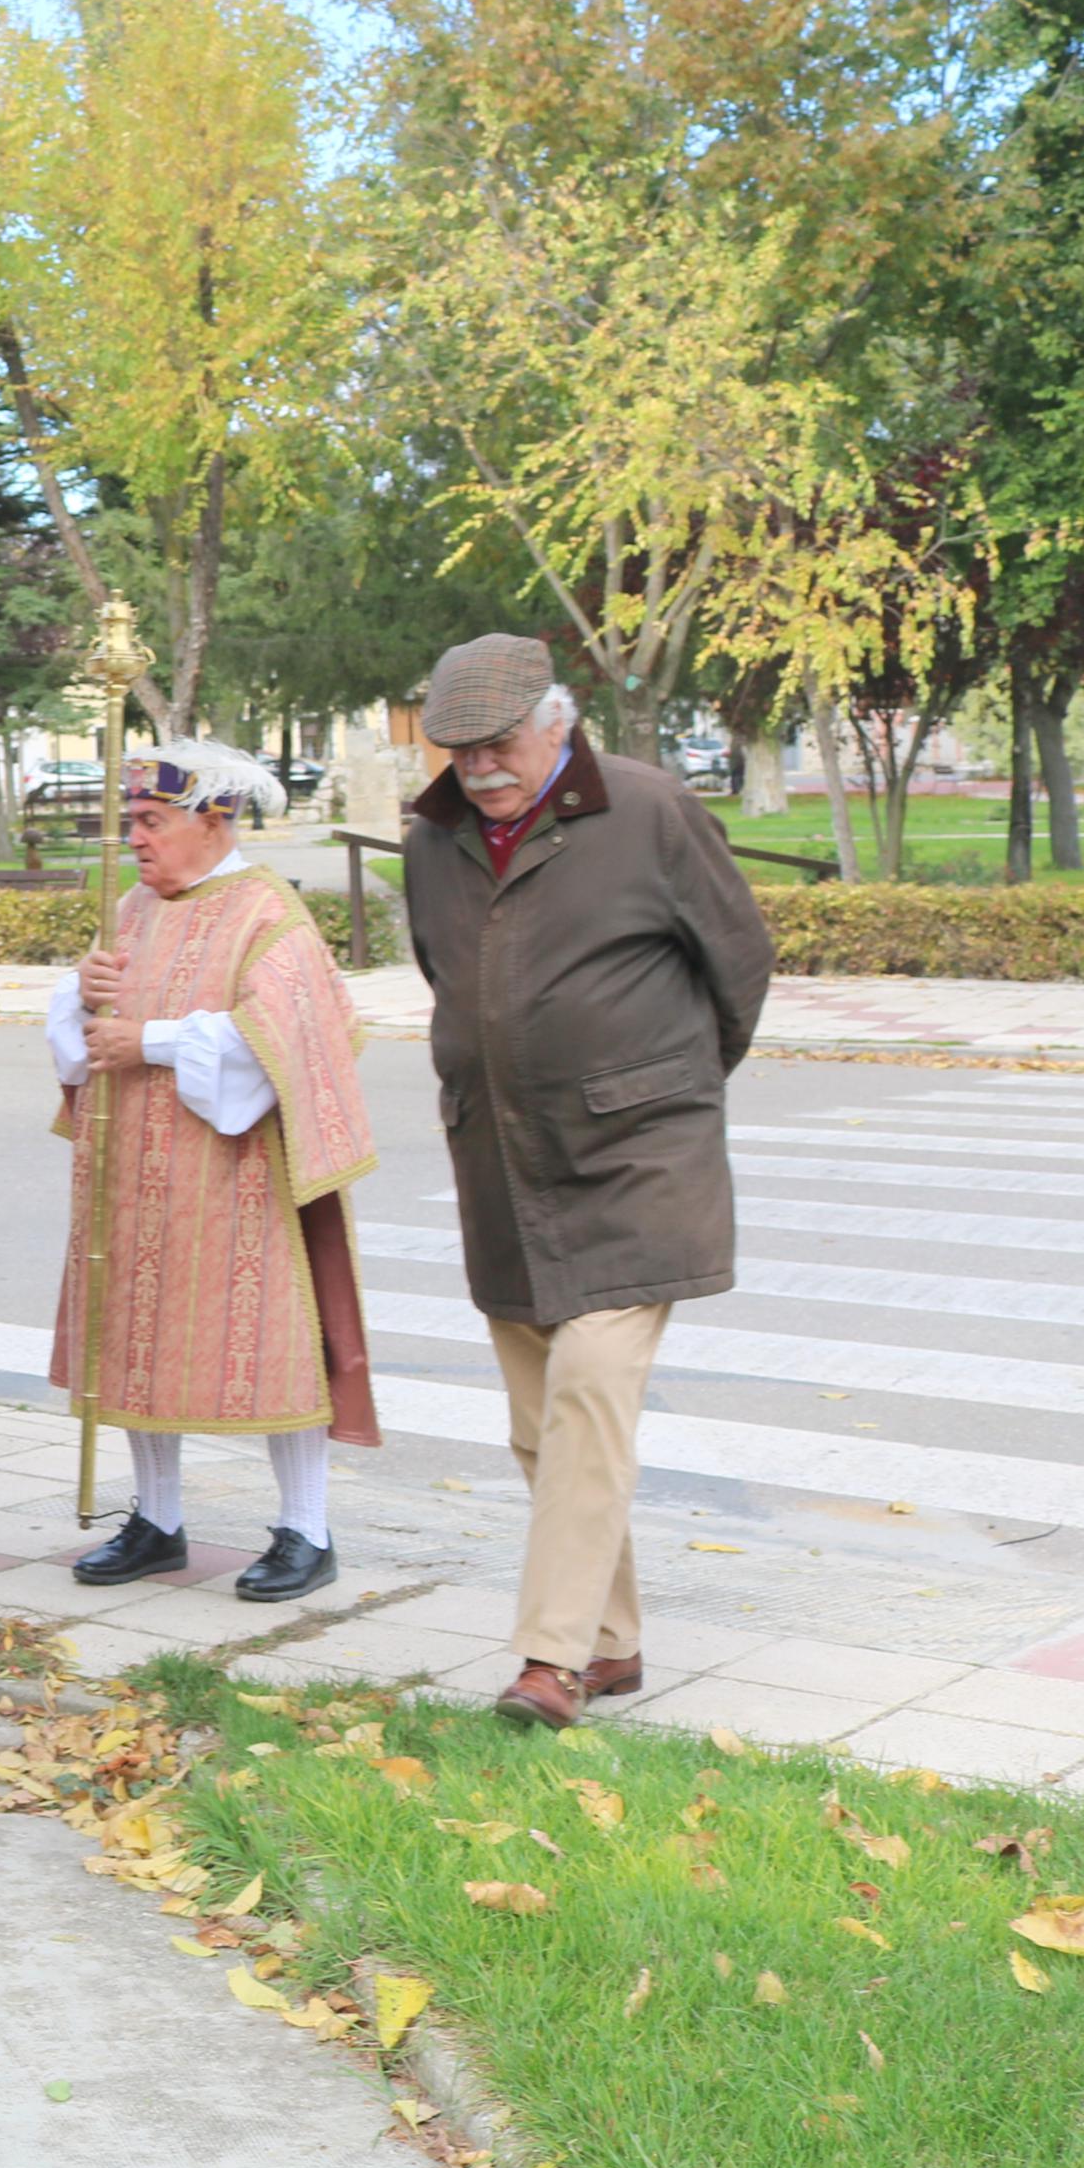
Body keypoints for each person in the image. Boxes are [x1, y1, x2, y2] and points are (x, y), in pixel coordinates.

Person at [399, 635, 771, 1732]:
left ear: (556, 722)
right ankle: (609, 1643)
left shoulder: (649, 812)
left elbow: (736, 964)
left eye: (498, 743)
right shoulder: (433, 839)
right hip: (503, 1159)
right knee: (535, 1418)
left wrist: (668, 1087)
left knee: (588, 1392)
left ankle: (547, 1661)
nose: (478, 768)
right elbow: (442, 973)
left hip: (634, 1155)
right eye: (457, 750)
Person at [49, 742, 382, 1602]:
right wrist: (82, 995)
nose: (134, 840)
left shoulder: (265, 914)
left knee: (272, 1347)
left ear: (213, 820)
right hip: (129, 1173)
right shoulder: (129, 908)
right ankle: (155, 1519)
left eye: (151, 822)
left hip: (237, 1179)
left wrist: (148, 1040)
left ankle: (306, 1529)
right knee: (132, 1339)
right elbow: (83, 1034)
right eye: (128, 823)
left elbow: (283, 1035)